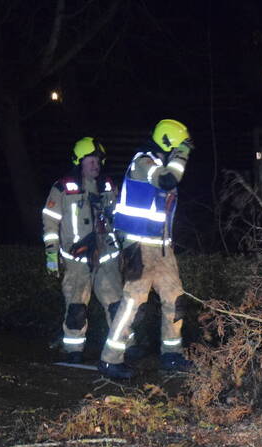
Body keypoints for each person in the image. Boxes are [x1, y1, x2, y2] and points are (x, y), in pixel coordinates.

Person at [99, 119, 194, 380]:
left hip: (162, 249)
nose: (182, 151)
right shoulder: (144, 162)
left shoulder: (160, 164)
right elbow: (165, 180)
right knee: (132, 303)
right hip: (139, 245)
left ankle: (171, 355)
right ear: (168, 142)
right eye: (179, 146)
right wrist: (182, 154)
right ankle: (110, 360)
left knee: (175, 300)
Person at [41, 137, 121, 363]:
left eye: (98, 161)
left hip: (107, 258)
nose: (96, 165)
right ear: (79, 161)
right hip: (77, 261)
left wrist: (127, 249)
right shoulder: (63, 187)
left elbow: (119, 219)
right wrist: (51, 253)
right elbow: (50, 221)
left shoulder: (108, 186)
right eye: (91, 161)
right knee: (76, 307)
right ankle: (73, 350)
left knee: (116, 305)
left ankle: (125, 347)